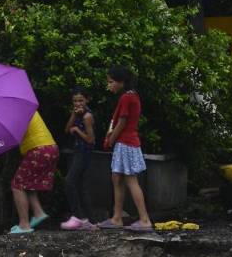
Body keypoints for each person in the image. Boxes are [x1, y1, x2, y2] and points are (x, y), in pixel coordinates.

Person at [98, 66, 152, 231]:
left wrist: (110, 140)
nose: (109, 85)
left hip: (125, 143)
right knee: (117, 179)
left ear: (121, 82)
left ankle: (144, 220)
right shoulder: (132, 96)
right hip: (126, 143)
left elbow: (122, 122)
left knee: (130, 180)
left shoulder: (126, 98)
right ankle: (116, 218)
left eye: (111, 82)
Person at [9, 110, 59, 234]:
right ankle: (38, 213)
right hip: (51, 147)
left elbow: (12, 135)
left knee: (17, 185)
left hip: (39, 149)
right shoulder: (25, 107)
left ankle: (24, 225)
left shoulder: (14, 112)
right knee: (28, 183)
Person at [60, 88, 96, 230]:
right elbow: (66, 129)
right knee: (81, 186)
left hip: (84, 152)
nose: (78, 103)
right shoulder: (77, 114)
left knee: (69, 182)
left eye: (81, 100)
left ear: (87, 100)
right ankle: (91, 221)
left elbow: (91, 139)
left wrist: (77, 131)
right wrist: (73, 116)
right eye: (75, 101)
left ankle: (78, 217)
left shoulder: (87, 116)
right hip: (77, 151)